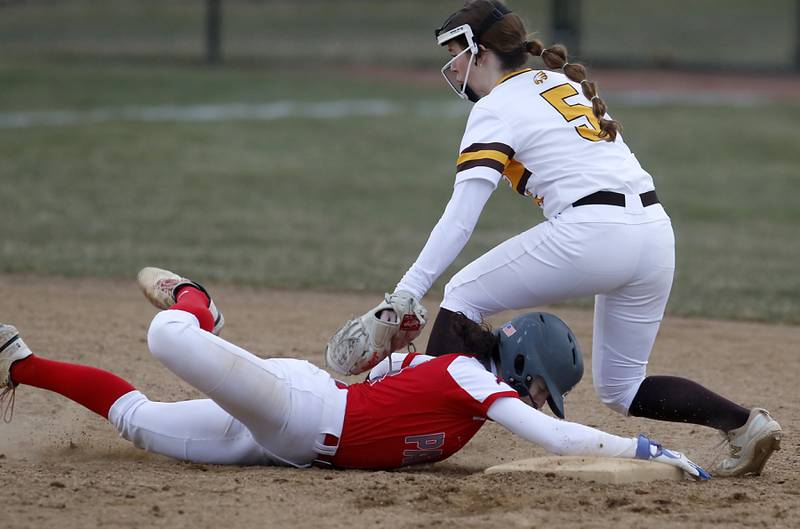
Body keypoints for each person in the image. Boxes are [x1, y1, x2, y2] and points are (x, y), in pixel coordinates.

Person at [326, 0, 781, 477]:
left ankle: (408, 421)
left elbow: (460, 219)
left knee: (461, 294)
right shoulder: (559, 82)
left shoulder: (495, 107)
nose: (453, 64)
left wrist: (407, 292)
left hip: (594, 233)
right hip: (654, 234)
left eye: (457, 49)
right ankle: (743, 423)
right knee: (623, 389)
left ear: (481, 52)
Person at [0, 267, 708, 478]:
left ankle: (20, 363)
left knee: (140, 423)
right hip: (297, 407)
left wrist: (382, 354)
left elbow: (379, 379)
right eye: (536, 385)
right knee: (166, 334)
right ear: (522, 365)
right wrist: (646, 448)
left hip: (289, 445)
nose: (533, 400)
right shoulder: (468, 375)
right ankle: (198, 303)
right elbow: (553, 441)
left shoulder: (449, 380)